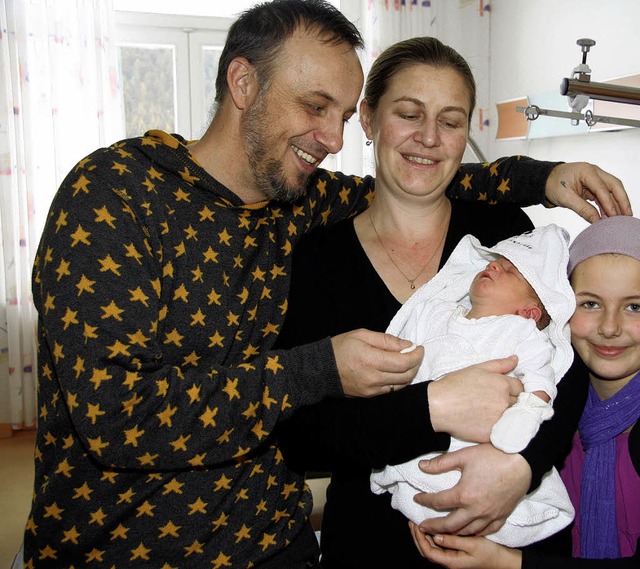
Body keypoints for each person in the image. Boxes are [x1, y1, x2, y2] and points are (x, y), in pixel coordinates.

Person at [21, 0, 631, 566]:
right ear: (242, 83)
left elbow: (435, 178)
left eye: (339, 115)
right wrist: (333, 375)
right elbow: (118, 417)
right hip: (127, 550)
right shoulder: (119, 195)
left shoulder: (303, 200)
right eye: (315, 107)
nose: (333, 140)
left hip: (276, 543)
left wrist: (543, 174)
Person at [273, 36, 630, 569]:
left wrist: (521, 468)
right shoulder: (320, 260)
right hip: (375, 548)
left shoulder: (505, 233)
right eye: (409, 114)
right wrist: (431, 408)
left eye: (451, 120)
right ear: (368, 120)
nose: (429, 138)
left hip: (508, 547)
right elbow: (301, 437)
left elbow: (566, 368)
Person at [410, 214, 640, 567]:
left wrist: (507, 562)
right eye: (590, 303)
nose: (610, 327)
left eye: (635, 306)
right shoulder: (557, 413)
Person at [371, 225, 577, 548]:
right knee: (414, 474)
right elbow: (405, 358)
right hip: (425, 434)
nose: (493, 265)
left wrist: (529, 408)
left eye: (509, 271)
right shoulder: (436, 313)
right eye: (493, 262)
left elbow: (541, 378)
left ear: (529, 312)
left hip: (488, 450)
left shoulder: (521, 333)